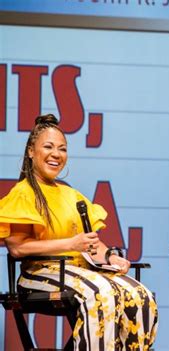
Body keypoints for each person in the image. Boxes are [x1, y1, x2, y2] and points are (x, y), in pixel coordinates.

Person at [0, 114, 158, 351]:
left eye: (62, 149)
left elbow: (92, 243)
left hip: (79, 271)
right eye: (49, 147)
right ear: (31, 151)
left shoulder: (70, 194)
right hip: (38, 273)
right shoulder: (23, 193)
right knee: (101, 292)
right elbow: (18, 247)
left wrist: (110, 257)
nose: (56, 154)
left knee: (138, 294)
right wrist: (70, 244)